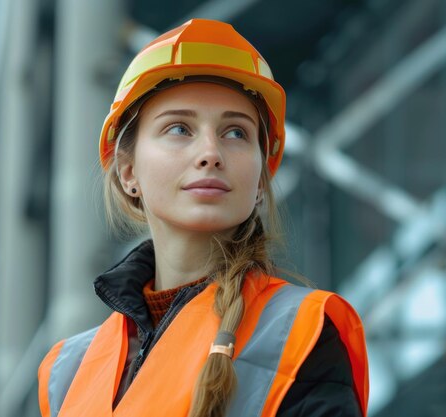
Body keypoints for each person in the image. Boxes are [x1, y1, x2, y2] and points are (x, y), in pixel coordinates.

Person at [38, 18, 369, 417]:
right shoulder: (65, 372)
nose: (210, 152)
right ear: (129, 173)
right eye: (179, 128)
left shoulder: (302, 332)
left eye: (236, 133)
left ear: (261, 179)